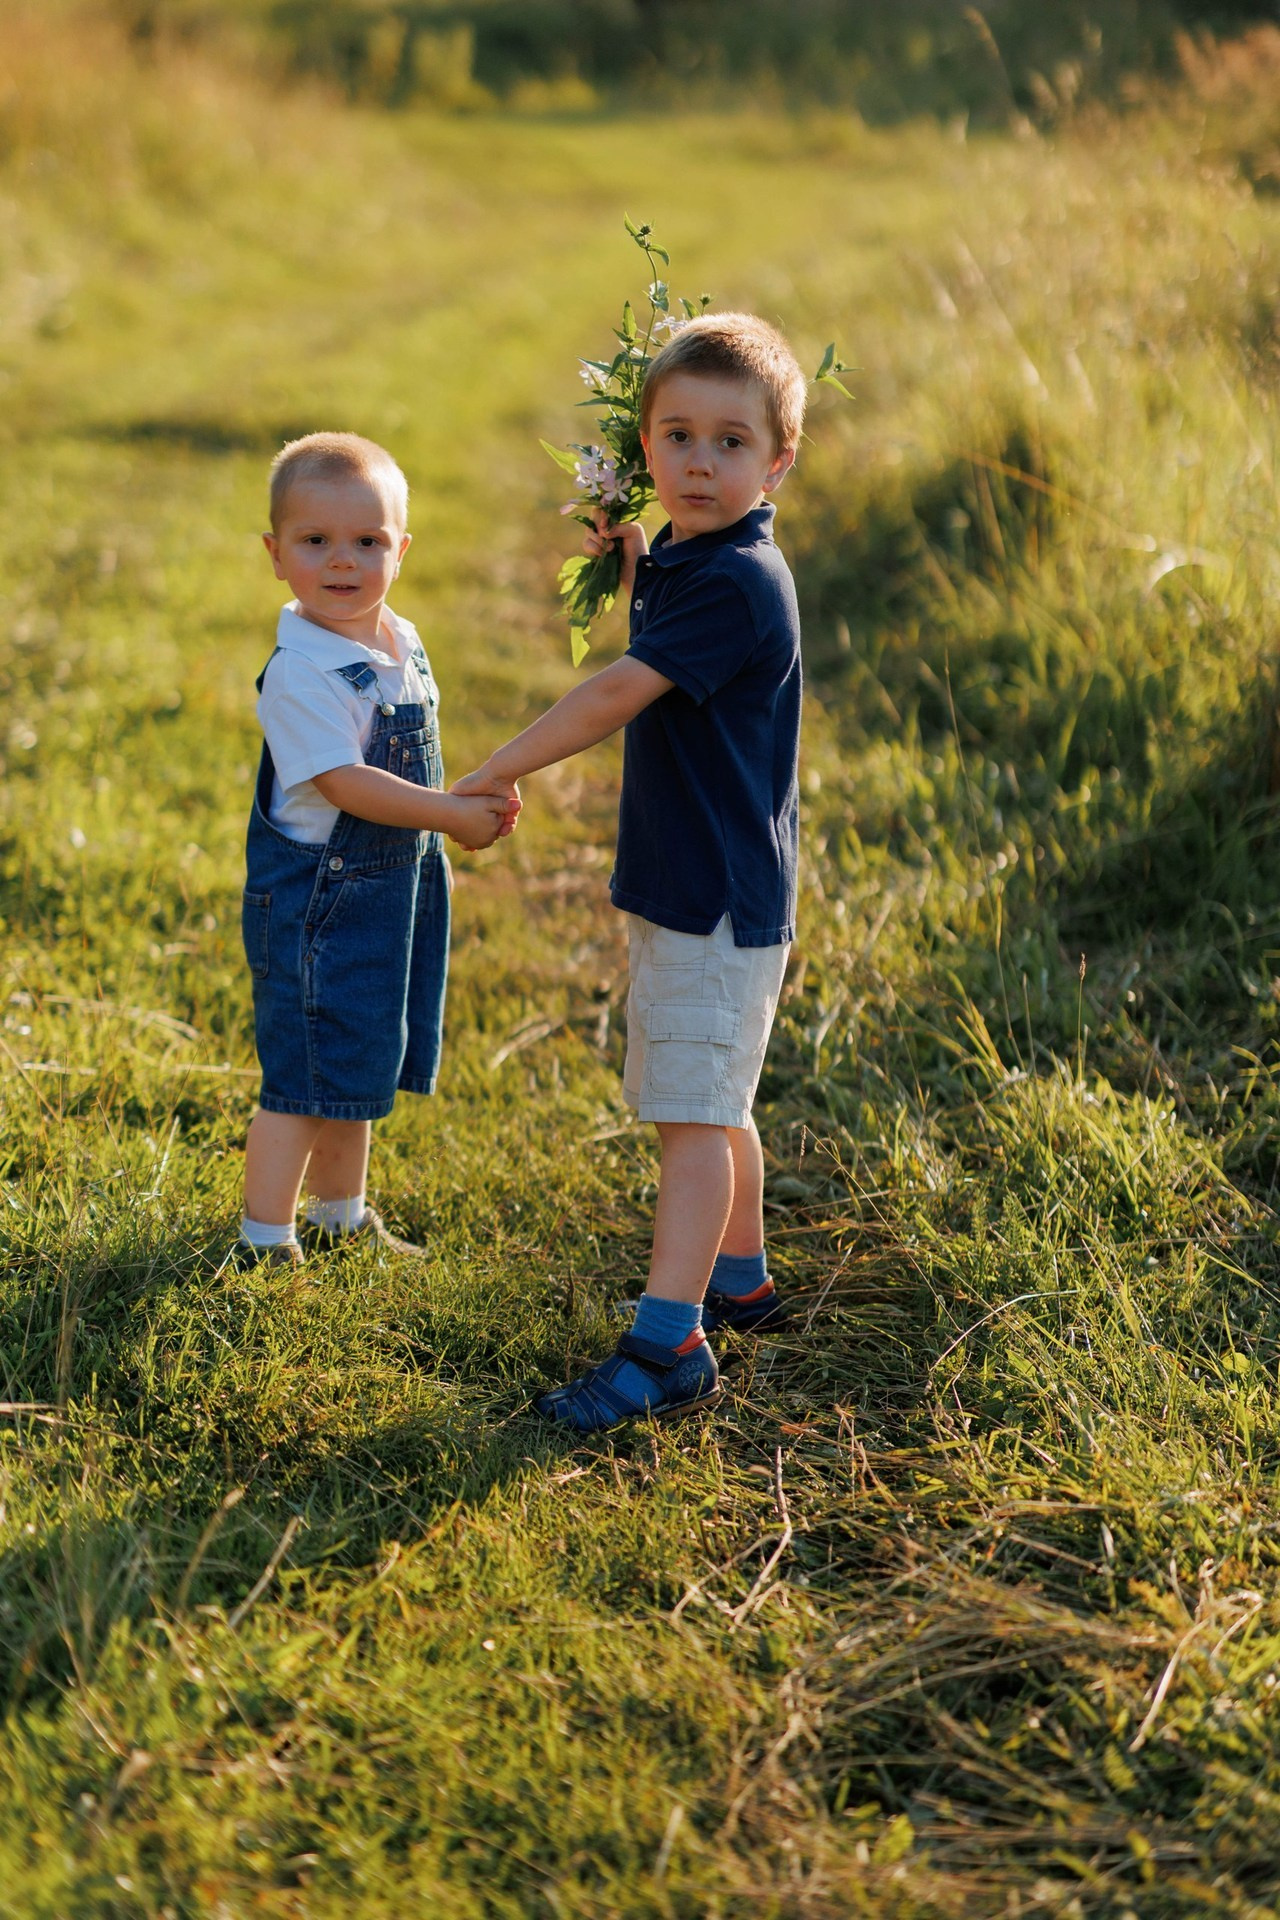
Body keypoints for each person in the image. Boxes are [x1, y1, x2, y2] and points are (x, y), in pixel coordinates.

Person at [454, 313, 805, 1431]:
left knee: (689, 1121)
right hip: (706, 884)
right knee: (716, 1099)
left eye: (730, 443)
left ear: (778, 460)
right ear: (643, 441)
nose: (699, 463)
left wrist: (496, 770)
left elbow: (614, 693)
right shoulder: (701, 555)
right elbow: (669, 588)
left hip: (709, 897)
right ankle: (737, 1279)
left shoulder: (737, 582)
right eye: (676, 435)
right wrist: (630, 551)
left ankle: (668, 1346)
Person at [233, 432, 516, 1272]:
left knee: (361, 1061)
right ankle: (264, 1242)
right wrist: (447, 814)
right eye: (316, 542)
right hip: (318, 904)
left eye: (368, 541)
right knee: (302, 1078)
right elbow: (347, 783)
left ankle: (340, 1215)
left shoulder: (399, 639)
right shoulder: (302, 671)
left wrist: (465, 801)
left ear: (402, 548)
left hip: (392, 894)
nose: (343, 561)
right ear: (276, 554)